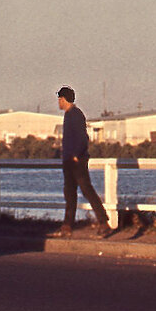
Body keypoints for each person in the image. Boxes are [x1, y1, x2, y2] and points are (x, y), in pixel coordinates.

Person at [57, 86, 112, 237]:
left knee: (86, 190)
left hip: (76, 161)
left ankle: (103, 222)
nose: (58, 103)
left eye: (59, 99)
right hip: (69, 160)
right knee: (70, 193)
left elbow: (83, 138)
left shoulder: (75, 114)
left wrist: (75, 154)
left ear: (64, 99)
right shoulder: (68, 115)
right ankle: (67, 226)